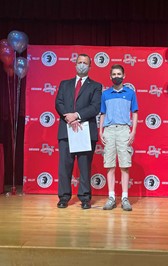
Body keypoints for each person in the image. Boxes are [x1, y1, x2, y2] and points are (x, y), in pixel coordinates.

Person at [55, 53, 102, 209]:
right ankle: (63, 197)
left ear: (90, 66)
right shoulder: (64, 84)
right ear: (75, 64)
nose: (82, 65)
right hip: (66, 130)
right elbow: (59, 103)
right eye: (79, 62)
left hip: (85, 131)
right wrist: (68, 117)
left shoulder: (95, 86)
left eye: (85, 63)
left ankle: (85, 198)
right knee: (64, 167)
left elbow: (95, 107)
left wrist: (77, 115)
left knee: (84, 167)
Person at [99, 64, 138, 211]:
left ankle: (125, 198)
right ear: (110, 77)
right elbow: (102, 113)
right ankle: (111, 197)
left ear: (124, 75)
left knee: (124, 166)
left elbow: (134, 112)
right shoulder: (105, 94)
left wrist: (133, 131)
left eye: (119, 74)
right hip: (108, 131)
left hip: (123, 131)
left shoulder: (130, 93)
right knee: (109, 165)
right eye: (114, 74)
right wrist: (100, 130)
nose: (116, 76)